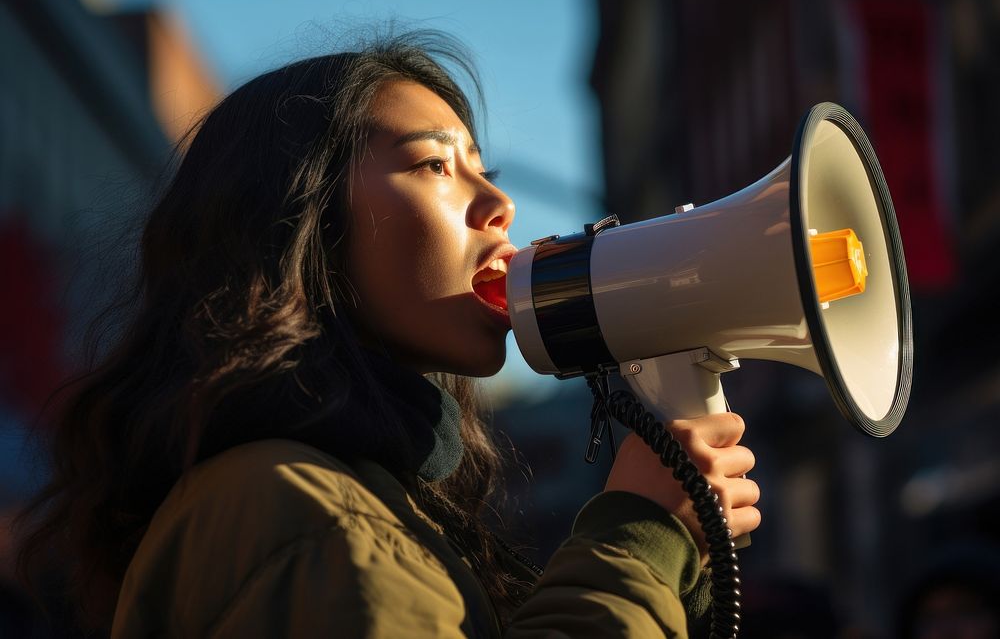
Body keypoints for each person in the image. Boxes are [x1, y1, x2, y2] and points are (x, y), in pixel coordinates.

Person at [16, 31, 760, 638]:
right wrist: (640, 540)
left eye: (484, 169)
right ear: (301, 223)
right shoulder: (299, 512)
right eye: (436, 163)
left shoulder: (334, 498)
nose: (499, 203)